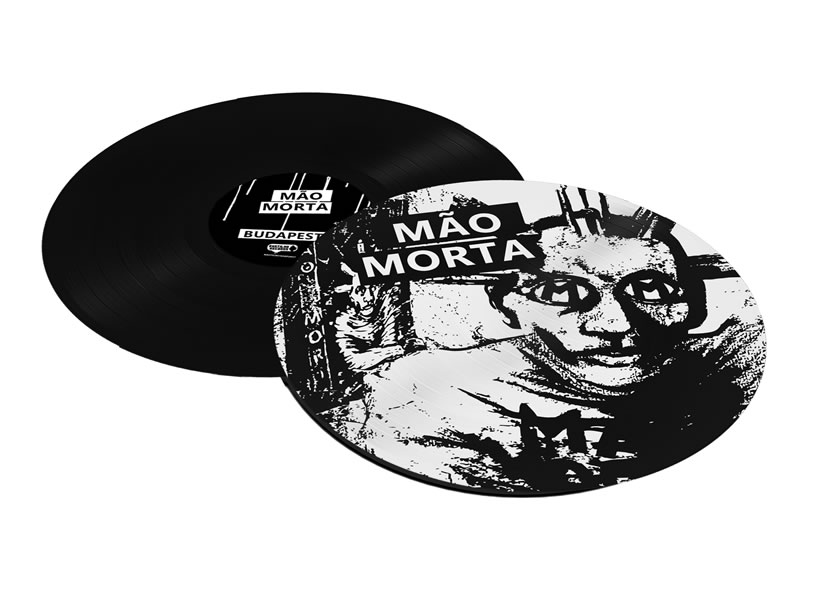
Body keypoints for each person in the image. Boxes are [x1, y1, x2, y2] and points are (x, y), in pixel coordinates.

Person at [323, 187, 755, 493]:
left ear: (691, 305)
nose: (616, 324)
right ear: (508, 305)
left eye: (651, 289)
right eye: (562, 292)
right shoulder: (424, 393)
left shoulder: (734, 362)